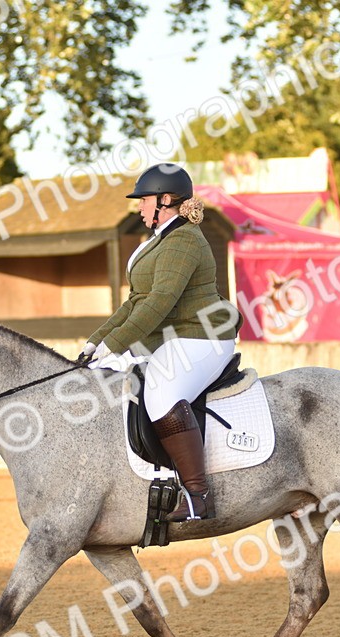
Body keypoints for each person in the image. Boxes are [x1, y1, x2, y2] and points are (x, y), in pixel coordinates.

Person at [79, 163, 241, 521]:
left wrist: (117, 344)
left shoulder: (183, 240)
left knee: (161, 393)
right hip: (174, 337)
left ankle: (198, 495)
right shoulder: (159, 241)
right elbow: (136, 300)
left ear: (165, 200)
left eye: (144, 200)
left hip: (204, 336)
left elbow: (159, 301)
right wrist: (96, 343)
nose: (138, 207)